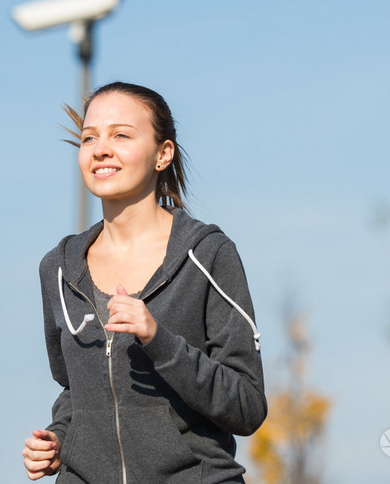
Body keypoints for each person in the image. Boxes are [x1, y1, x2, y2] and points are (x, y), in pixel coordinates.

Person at [22, 82, 266, 483]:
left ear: (162, 154)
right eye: (90, 137)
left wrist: (159, 340)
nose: (101, 148)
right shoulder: (59, 269)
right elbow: (76, 393)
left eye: (121, 135)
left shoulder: (206, 255)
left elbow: (247, 406)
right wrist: (57, 439)